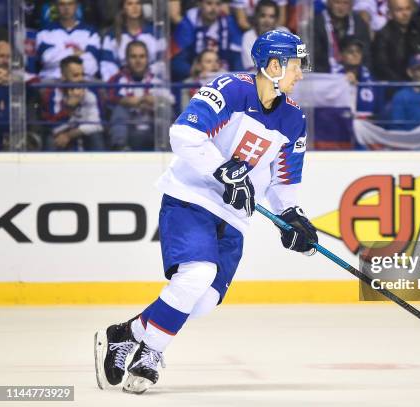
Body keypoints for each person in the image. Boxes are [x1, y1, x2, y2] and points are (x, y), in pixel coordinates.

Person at [94, 30, 318, 394]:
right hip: (192, 195)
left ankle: (125, 334)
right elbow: (183, 133)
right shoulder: (231, 88)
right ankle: (150, 352)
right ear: (273, 66)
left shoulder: (294, 119)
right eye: (296, 65)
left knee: (200, 302)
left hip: (233, 215)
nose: (300, 74)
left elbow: (283, 181)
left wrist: (292, 216)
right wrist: (222, 169)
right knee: (197, 273)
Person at [107, 41, 174, 150]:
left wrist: (156, 101)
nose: (138, 61)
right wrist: (135, 101)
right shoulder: (117, 79)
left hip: (153, 131)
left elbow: (170, 100)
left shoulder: (157, 80)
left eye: (142, 56)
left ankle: (166, 147)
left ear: (147, 59)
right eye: (133, 57)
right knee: (120, 109)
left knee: (164, 108)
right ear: (127, 59)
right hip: (129, 130)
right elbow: (110, 97)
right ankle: (120, 147)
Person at [41, 55, 104, 150]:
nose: (81, 79)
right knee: (52, 140)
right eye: (76, 75)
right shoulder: (52, 93)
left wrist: (69, 135)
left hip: (82, 134)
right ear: (63, 76)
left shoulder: (90, 92)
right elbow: (54, 128)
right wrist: (69, 108)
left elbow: (96, 125)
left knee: (95, 136)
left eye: (82, 74)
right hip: (61, 136)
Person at [171, 0, 243, 81]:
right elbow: (177, 62)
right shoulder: (188, 24)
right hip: (193, 79)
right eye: (209, 3)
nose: (213, 8)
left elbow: (237, 57)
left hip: (225, 77)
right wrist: (194, 71)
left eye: (218, 4)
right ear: (199, 4)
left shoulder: (228, 22)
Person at [100, 0, 166, 81]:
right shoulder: (111, 36)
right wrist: (120, 81)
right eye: (130, 4)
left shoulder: (155, 33)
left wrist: (146, 77)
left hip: (150, 83)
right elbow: (107, 65)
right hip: (121, 86)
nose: (135, 7)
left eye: (138, 3)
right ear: (123, 8)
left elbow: (162, 63)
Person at [372, 0, 420, 81]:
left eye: (408, 9)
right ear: (390, 13)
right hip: (398, 87)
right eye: (399, 10)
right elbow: (382, 67)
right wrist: (403, 84)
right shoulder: (383, 35)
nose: (405, 13)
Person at [35, 0, 101, 80]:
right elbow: (47, 60)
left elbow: (92, 65)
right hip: (52, 79)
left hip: (83, 81)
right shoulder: (45, 32)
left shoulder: (90, 32)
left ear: (76, 6)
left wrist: (59, 53)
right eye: (62, 4)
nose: (66, 8)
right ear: (56, 6)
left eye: (70, 4)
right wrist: (74, 52)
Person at [313, 0, 371, 73]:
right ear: (328, 3)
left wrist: (356, 72)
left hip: (355, 75)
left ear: (351, 5)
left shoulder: (358, 23)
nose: (341, 8)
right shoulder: (317, 22)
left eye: (345, 3)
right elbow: (314, 57)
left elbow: (366, 54)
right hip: (324, 76)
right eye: (337, 3)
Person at [389, 53, 420, 131]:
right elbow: (397, 127)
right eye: (419, 69)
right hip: (406, 141)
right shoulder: (400, 96)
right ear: (410, 72)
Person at [241, 0, 286, 71]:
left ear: (276, 19)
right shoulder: (248, 37)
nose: (267, 20)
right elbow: (252, 69)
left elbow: (292, 63)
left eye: (271, 16)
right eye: (263, 16)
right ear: (256, 17)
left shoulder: (285, 33)